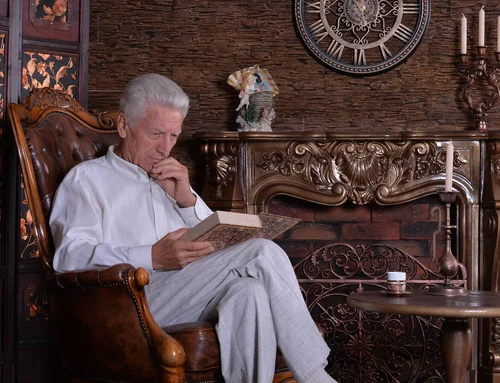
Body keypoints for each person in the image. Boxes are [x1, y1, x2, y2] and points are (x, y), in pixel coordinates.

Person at [49, 73, 336, 383]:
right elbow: (70, 257)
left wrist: (187, 200)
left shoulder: (172, 180)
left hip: (185, 297)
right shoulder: (87, 180)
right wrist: (153, 256)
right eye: (156, 133)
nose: (165, 147)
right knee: (261, 251)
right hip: (129, 306)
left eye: (174, 135)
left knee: (248, 292)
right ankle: (315, 375)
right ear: (123, 126)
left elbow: (220, 252)